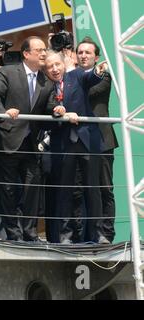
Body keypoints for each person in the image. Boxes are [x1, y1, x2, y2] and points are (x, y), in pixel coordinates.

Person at [0, 36, 55, 242]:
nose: (44, 53)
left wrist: (59, 110)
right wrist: (3, 113)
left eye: (45, 49)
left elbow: (49, 107)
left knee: (32, 189)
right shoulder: (8, 71)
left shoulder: (47, 82)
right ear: (26, 54)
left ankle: (30, 232)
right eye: (39, 50)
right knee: (8, 191)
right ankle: (14, 233)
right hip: (7, 140)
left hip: (31, 145)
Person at [44, 50, 110, 244]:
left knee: (93, 189)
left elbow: (91, 77)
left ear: (64, 64)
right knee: (64, 190)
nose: (54, 69)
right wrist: (58, 111)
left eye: (57, 64)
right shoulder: (45, 86)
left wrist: (98, 72)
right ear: (45, 70)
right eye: (49, 67)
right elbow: (44, 106)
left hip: (87, 140)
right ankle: (65, 235)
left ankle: (97, 233)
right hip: (62, 142)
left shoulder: (76, 76)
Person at [73, 37, 119, 243]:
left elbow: (84, 95)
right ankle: (85, 233)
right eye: (80, 52)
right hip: (76, 141)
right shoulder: (70, 77)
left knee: (104, 188)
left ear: (96, 57)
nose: (83, 56)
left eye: (87, 53)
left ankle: (106, 233)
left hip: (101, 141)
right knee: (79, 189)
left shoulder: (104, 77)